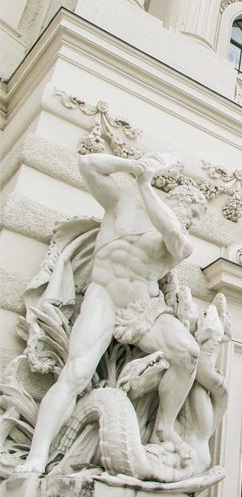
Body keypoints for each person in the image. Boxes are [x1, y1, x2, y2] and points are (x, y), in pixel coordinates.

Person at [16, 152, 208, 475]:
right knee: (76, 373)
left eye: (193, 217)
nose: (189, 219)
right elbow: (87, 165)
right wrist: (130, 167)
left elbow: (174, 234)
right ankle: (37, 455)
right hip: (103, 298)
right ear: (174, 199)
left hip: (144, 307)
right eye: (188, 210)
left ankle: (163, 428)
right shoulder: (123, 205)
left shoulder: (178, 240)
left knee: (188, 354)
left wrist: (145, 184)